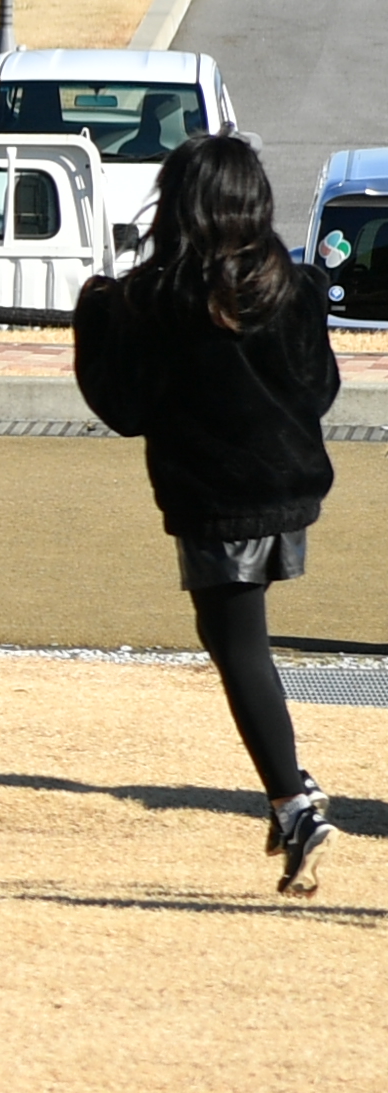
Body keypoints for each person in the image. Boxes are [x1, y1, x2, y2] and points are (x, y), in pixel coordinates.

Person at [71, 131, 341, 894]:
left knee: (238, 646)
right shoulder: (292, 287)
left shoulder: (156, 301)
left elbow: (124, 409)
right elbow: (319, 391)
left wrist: (94, 318)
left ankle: (294, 804)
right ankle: (290, 788)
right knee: (230, 638)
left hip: (215, 500)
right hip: (290, 490)